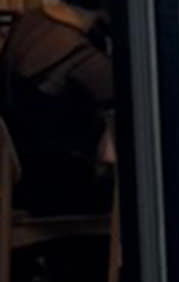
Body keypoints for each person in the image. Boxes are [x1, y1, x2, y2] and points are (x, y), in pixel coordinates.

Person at [0, 0, 114, 217]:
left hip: (24, 181)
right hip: (58, 187)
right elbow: (124, 93)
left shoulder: (33, 22)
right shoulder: (75, 51)